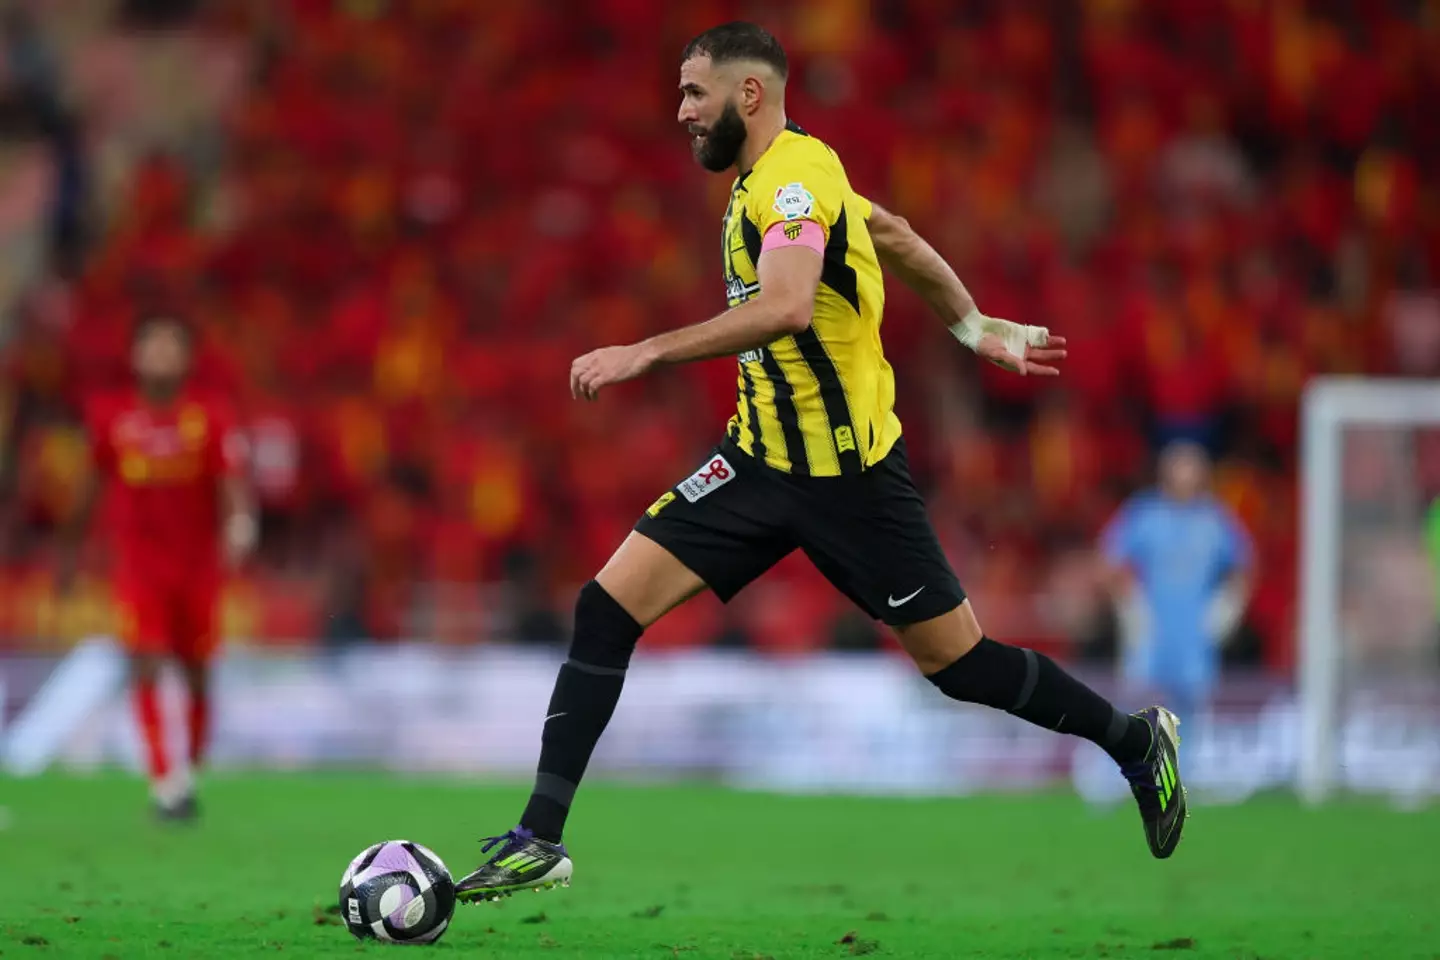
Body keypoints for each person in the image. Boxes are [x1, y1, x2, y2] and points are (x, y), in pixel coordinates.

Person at [456, 22, 1186, 900]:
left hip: (851, 482)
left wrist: (644, 352)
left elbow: (791, 305)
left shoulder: (793, 178)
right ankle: (540, 837)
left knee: (959, 665)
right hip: (756, 462)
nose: (682, 111)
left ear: (749, 95)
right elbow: (899, 236)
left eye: (695, 93)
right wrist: (972, 325)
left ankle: (1135, 742)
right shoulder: (780, 176)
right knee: (606, 607)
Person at [64, 314, 256, 819]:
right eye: (152, 344)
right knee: (144, 659)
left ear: (187, 359)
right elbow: (91, 484)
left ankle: (187, 769)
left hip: (197, 566)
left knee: (196, 673)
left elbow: (231, 481)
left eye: (172, 345)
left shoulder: (210, 416)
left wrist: (240, 523)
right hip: (138, 564)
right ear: (135, 356)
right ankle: (163, 779)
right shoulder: (111, 417)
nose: (161, 353)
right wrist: (71, 550)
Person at [1101, 441, 1254, 724]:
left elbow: (1242, 567)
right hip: (1150, 632)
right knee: (1137, 704)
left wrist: (1227, 608)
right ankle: (1123, 765)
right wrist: (1131, 606)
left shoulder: (1215, 520)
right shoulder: (1144, 514)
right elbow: (1111, 562)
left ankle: (1184, 767)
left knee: (1190, 713)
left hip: (1195, 636)